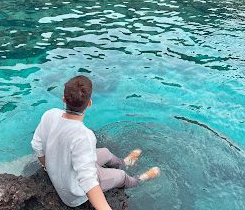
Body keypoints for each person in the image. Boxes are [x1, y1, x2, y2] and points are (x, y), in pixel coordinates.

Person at [31, 75, 160, 210]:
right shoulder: (83, 136)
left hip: (63, 170)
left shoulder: (50, 114)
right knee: (122, 176)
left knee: (105, 152)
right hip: (74, 193)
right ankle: (139, 179)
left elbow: (36, 145)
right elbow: (88, 181)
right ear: (89, 103)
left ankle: (124, 162)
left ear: (63, 100)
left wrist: (49, 167)